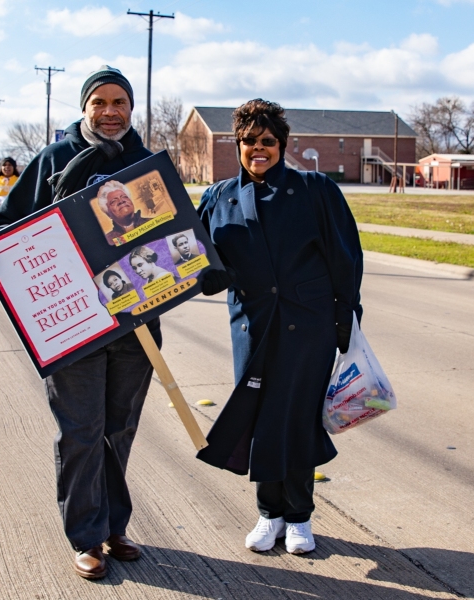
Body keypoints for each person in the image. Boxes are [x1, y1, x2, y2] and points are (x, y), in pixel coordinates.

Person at [0, 66, 159, 580]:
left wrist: (202, 269)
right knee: (80, 430)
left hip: (136, 324)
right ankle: (86, 537)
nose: (110, 111)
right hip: (70, 324)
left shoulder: (148, 163)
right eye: (99, 102)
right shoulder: (53, 160)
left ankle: (115, 527)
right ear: (84, 108)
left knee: (119, 429)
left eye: (119, 102)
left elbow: (176, 232)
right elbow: (6, 222)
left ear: (131, 108)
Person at [196, 99, 363, 555]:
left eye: (268, 141)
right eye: (249, 141)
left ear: (282, 144)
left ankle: (300, 517)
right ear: (238, 145)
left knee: (297, 419)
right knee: (260, 418)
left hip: (308, 326)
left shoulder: (315, 190)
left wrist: (347, 318)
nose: (258, 149)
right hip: (251, 326)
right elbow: (194, 258)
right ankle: (269, 514)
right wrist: (206, 277)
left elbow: (345, 257)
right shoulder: (218, 197)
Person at [96, 179, 150, 244]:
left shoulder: (152, 222)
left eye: (124, 197)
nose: (121, 201)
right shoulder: (109, 241)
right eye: (113, 201)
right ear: (108, 214)